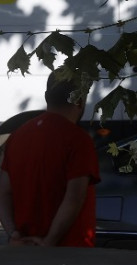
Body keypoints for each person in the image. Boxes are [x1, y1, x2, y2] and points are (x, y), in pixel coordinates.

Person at [0, 72, 100, 247]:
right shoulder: (79, 140)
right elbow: (74, 197)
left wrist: (13, 234)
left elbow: (3, 193)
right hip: (70, 251)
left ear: (47, 97)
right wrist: (49, 242)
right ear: (80, 100)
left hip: (24, 247)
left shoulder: (16, 137)